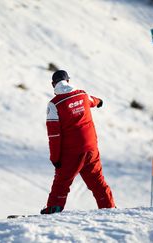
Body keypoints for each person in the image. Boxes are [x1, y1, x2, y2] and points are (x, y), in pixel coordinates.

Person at [41, 70, 115, 214]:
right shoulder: (82, 94)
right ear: (68, 81)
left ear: (53, 84)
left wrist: (55, 158)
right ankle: (109, 208)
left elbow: (54, 135)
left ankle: (53, 209)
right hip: (91, 148)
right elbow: (93, 100)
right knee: (98, 181)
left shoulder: (54, 105)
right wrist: (100, 102)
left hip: (72, 153)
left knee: (61, 183)